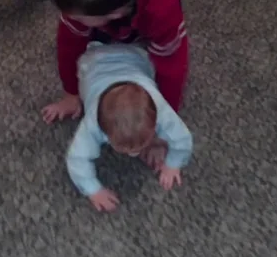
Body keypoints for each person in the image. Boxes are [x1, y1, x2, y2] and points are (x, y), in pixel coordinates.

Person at [41, 0, 188, 123]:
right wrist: (71, 93)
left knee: (141, 41)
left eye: (79, 17)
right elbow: (68, 44)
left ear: (115, 13)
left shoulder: (161, 9)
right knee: (90, 35)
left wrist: (165, 121)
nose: (68, 18)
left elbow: (173, 67)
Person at [66, 42, 193, 212]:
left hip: (135, 56)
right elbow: (76, 158)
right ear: (102, 130)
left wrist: (173, 163)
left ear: (156, 122)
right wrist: (93, 190)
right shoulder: (92, 123)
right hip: (92, 63)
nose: (133, 154)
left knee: (150, 64)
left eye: (139, 146)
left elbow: (182, 138)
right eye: (124, 148)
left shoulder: (160, 109)